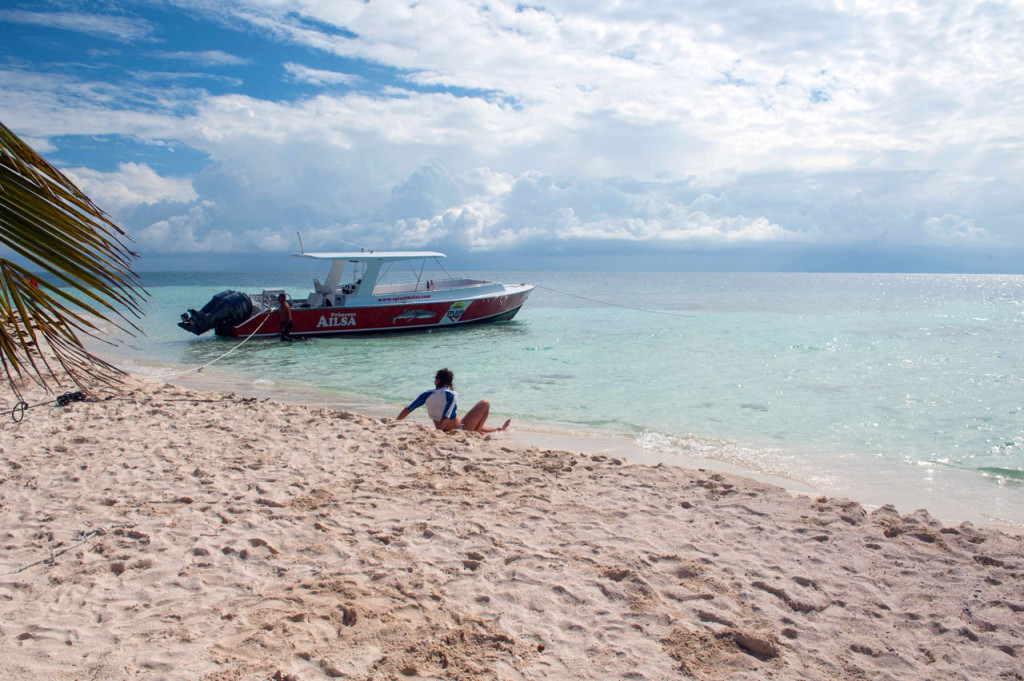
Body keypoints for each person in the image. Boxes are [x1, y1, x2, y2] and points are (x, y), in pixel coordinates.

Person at [397, 368, 510, 433]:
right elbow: (445, 417)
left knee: (469, 422)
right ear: (450, 383)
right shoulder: (452, 395)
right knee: (485, 403)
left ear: (437, 381)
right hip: (461, 429)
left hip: (456, 426)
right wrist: (438, 434)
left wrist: (395, 422)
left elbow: (408, 409)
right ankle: (480, 431)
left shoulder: (426, 394)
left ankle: (498, 429)